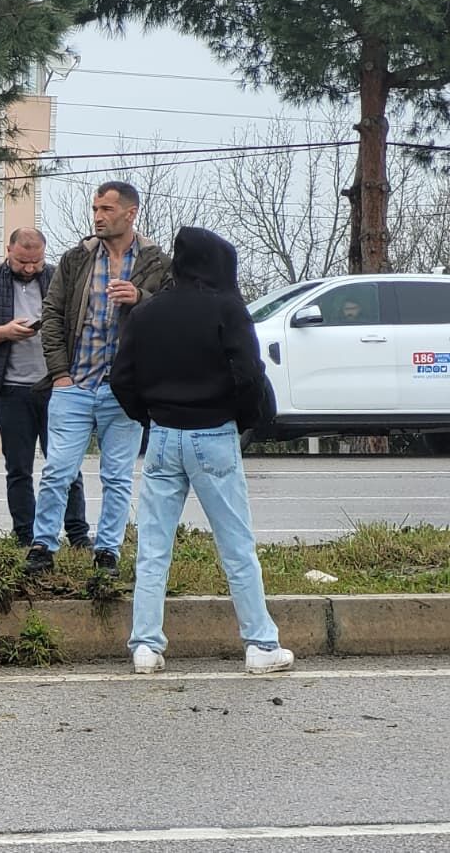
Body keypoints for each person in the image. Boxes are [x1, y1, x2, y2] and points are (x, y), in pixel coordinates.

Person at [110, 226, 295, 676]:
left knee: (153, 548)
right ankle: (260, 644)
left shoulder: (146, 313)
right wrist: (242, 418)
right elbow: (249, 374)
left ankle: (146, 647)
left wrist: (148, 417)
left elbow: (121, 379)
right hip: (214, 433)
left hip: (162, 436)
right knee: (236, 545)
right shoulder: (227, 308)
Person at [27, 181, 172, 578]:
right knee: (58, 469)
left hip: (123, 389)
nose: (98, 216)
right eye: (95, 208)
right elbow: (52, 314)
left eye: (107, 209)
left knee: (117, 474)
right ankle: (43, 545)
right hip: (75, 385)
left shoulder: (156, 262)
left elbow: (173, 313)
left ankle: (108, 550)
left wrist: (141, 297)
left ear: (130, 213)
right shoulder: (78, 258)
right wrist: (60, 373)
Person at [0, 227, 91, 550]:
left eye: (36, 261)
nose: (30, 268)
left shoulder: (59, 278)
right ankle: (26, 535)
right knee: (18, 468)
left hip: (57, 387)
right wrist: (5, 331)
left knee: (66, 465)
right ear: (9, 250)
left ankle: (77, 534)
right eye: (23, 261)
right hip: (11, 390)